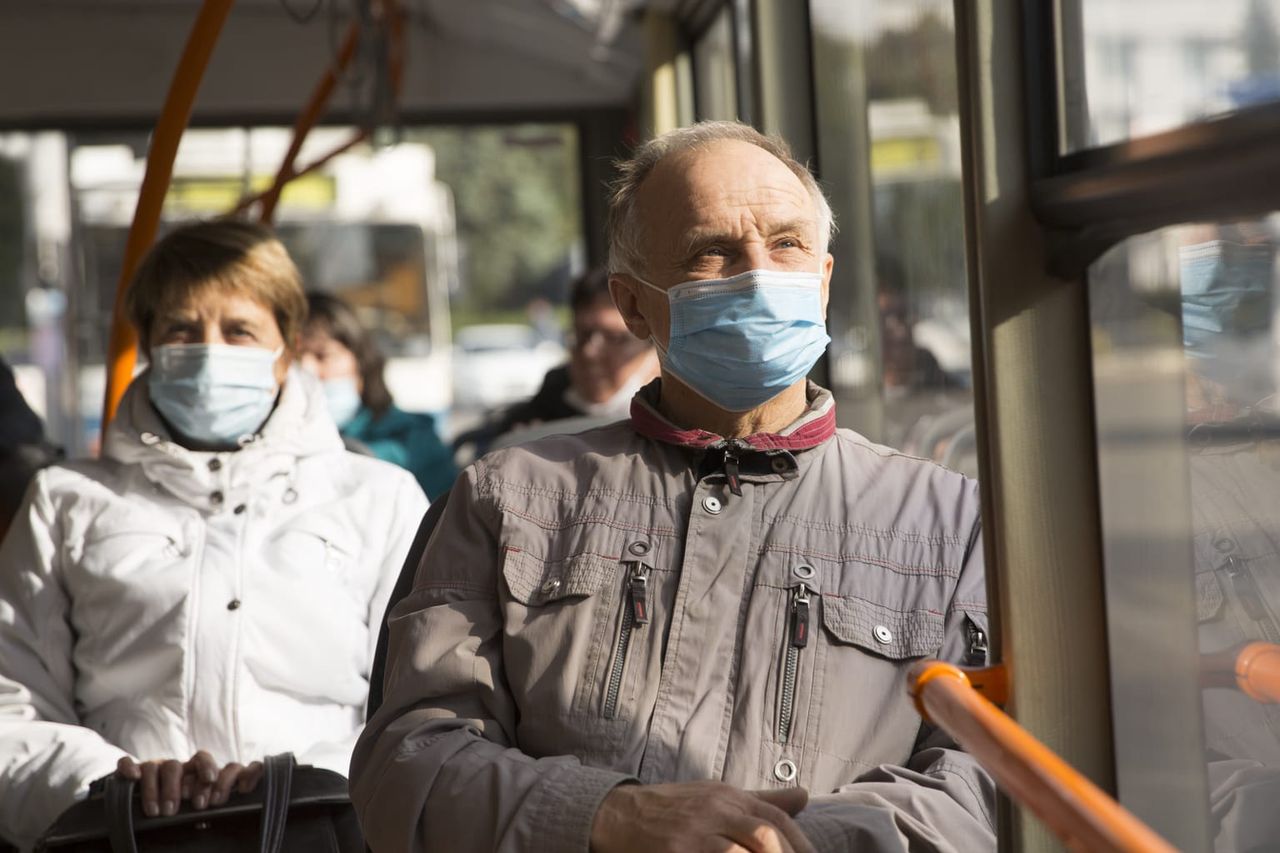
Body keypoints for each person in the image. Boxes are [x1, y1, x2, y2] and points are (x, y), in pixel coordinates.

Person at [352, 121, 992, 852]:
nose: (758, 273)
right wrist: (605, 816)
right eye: (709, 252)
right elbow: (407, 764)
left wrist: (782, 839)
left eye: (786, 244)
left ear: (824, 279)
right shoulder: (509, 499)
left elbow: (983, 781)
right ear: (633, 305)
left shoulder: (948, 520)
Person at [0, 220, 427, 850]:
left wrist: (299, 785)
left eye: (239, 331)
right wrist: (112, 784)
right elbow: (13, 704)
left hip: (325, 832)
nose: (208, 350)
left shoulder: (377, 499)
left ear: (286, 346)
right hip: (117, 837)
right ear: (148, 345)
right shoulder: (67, 501)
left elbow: (423, 710)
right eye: (181, 329)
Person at [454, 267, 660, 456]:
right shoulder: (536, 417)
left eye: (614, 338)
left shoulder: (676, 418)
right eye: (582, 335)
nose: (589, 352)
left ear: (654, 349)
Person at [299, 292, 457, 500]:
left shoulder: (410, 440)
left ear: (361, 362)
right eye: (293, 359)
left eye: (323, 356)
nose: (306, 370)